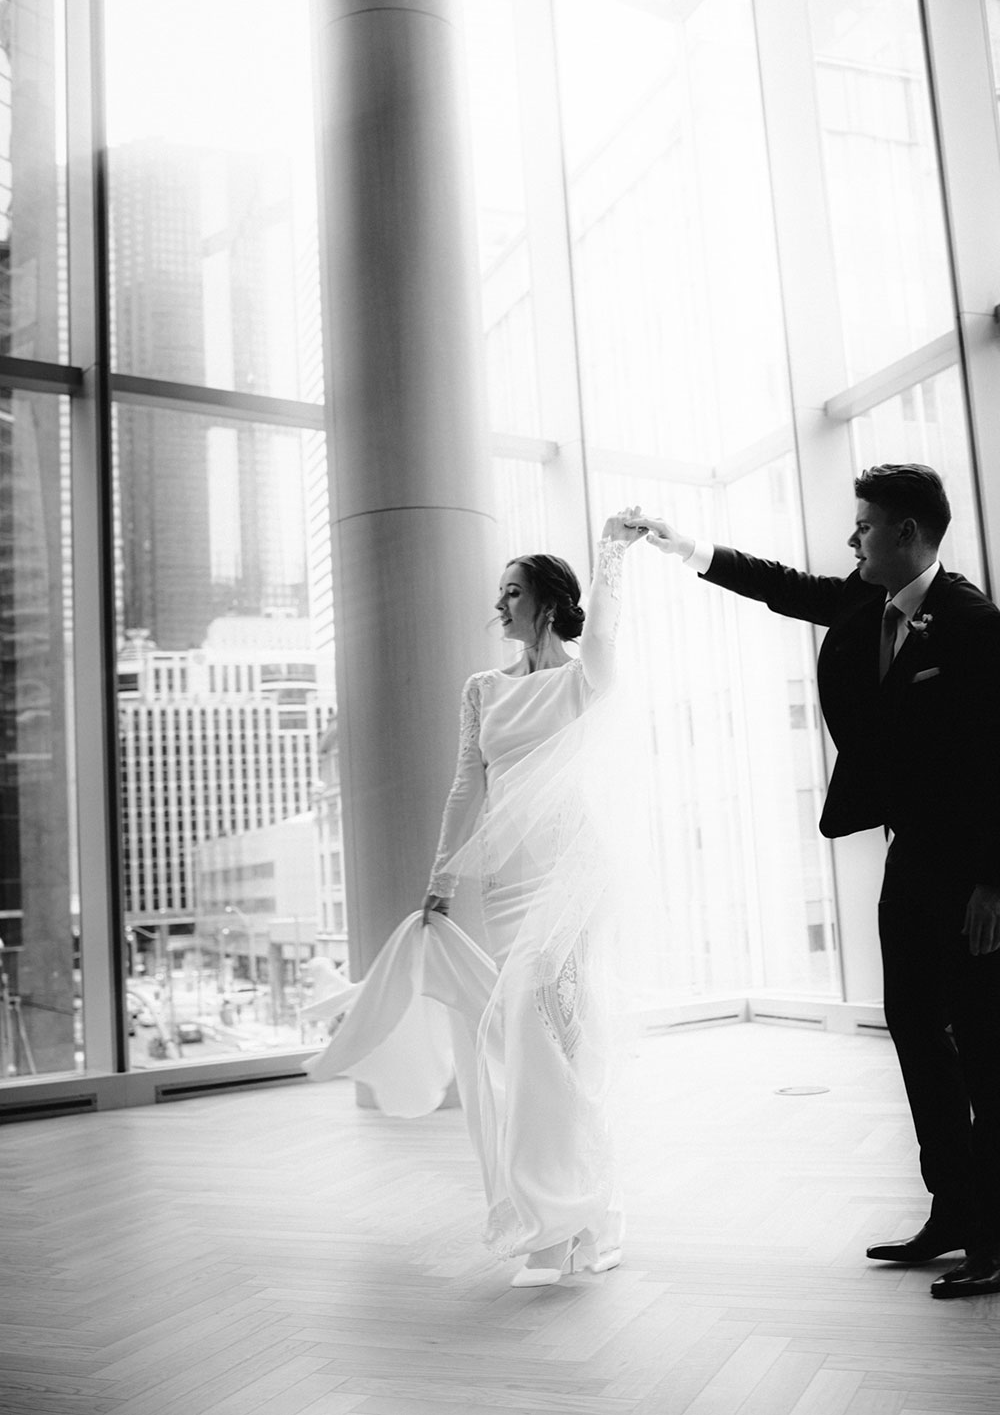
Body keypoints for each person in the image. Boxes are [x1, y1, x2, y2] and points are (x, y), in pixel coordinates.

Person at [631, 463, 1000, 1299]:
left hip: (975, 872)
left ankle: (996, 1233)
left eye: (864, 524)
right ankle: (952, 1208)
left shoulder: (976, 624)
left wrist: (994, 882)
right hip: (912, 857)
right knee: (912, 1027)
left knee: (983, 1047)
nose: (852, 538)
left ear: (907, 532)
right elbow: (782, 585)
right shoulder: (868, 603)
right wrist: (686, 547)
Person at [306, 509, 650, 1287]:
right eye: (499, 592)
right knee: (540, 1048)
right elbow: (467, 788)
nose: (499, 605)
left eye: (513, 592)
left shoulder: (582, 678)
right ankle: (582, 1213)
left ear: (550, 604)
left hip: (572, 874)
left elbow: (603, 636)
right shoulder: (481, 690)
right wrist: (438, 880)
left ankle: (560, 1225)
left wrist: (611, 552)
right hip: (506, 883)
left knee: (539, 1029)